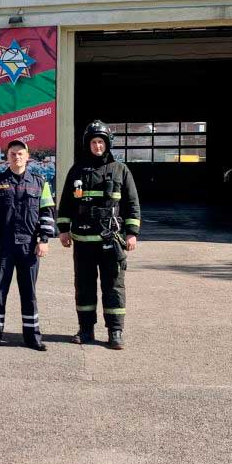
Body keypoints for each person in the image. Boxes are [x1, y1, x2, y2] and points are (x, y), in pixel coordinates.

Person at [56, 120, 141, 350]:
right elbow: (66, 203)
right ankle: (86, 329)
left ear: (107, 144)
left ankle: (115, 331)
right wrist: (63, 230)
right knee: (83, 286)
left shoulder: (120, 170)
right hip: (83, 242)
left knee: (113, 285)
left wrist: (131, 233)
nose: (97, 146)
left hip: (110, 240)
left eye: (101, 142)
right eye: (93, 142)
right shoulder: (77, 170)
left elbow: (132, 204)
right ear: (88, 144)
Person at [0, 140, 56, 351]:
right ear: (7, 156)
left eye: (20, 153)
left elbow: (47, 213)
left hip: (29, 247)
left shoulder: (40, 183)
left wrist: (44, 240)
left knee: (29, 292)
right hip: (2, 246)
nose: (17, 157)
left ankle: (32, 336)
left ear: (27, 156)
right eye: (13, 153)